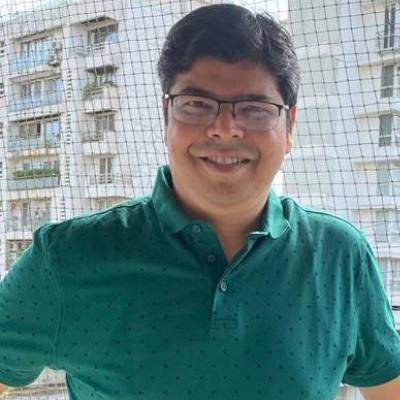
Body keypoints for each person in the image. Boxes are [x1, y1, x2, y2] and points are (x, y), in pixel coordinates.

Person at [1, 4, 400, 400]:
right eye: (197, 104)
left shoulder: (339, 257)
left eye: (255, 109)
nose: (225, 129)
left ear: (290, 126)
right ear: (166, 115)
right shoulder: (68, 257)